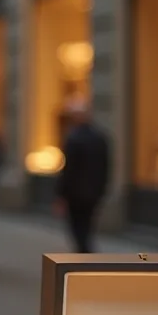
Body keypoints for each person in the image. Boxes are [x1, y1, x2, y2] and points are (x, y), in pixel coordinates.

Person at [53, 100, 111, 253]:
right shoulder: (100, 138)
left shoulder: (74, 138)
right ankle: (85, 251)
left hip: (76, 193)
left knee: (77, 226)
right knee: (88, 224)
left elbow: (68, 170)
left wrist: (61, 194)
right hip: (94, 191)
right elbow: (106, 166)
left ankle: (84, 252)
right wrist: (102, 188)